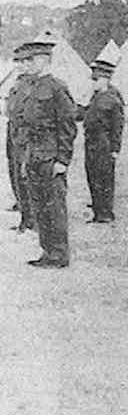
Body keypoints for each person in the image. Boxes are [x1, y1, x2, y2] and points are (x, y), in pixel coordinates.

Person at [18, 41, 77, 268]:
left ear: (44, 60)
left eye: (30, 60)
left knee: (54, 207)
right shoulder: (30, 87)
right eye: (24, 61)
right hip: (34, 155)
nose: (26, 64)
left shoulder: (56, 87)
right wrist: (25, 157)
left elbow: (67, 126)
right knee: (39, 206)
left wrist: (63, 160)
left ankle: (59, 254)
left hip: (51, 157)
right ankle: (47, 251)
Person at [82, 58, 124, 223]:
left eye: (96, 80)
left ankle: (105, 213)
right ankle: (97, 209)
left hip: (103, 142)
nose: (93, 83)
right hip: (91, 142)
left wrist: (115, 148)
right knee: (92, 176)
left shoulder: (113, 99)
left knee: (104, 178)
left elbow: (117, 126)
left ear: (105, 80)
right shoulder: (95, 97)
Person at [5, 43, 36, 232]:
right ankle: (25, 217)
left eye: (24, 62)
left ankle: (30, 220)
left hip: (25, 137)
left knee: (26, 180)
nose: (20, 66)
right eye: (18, 62)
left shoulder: (32, 86)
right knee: (17, 176)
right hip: (14, 134)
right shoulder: (19, 83)